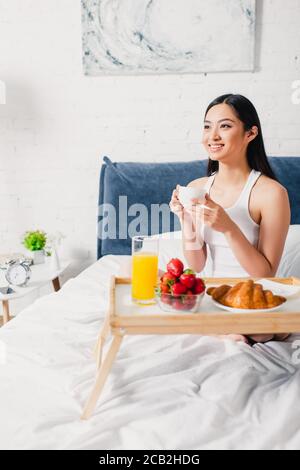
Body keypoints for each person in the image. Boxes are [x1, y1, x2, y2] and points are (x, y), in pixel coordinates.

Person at [169, 94, 291, 345]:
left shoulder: (271, 194)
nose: (212, 136)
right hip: (212, 296)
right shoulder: (197, 187)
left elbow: (265, 274)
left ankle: (238, 331)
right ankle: (235, 332)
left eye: (224, 126)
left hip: (251, 297)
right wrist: (186, 220)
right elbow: (198, 264)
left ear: (250, 133)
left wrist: (228, 228)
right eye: (207, 126)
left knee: (258, 330)